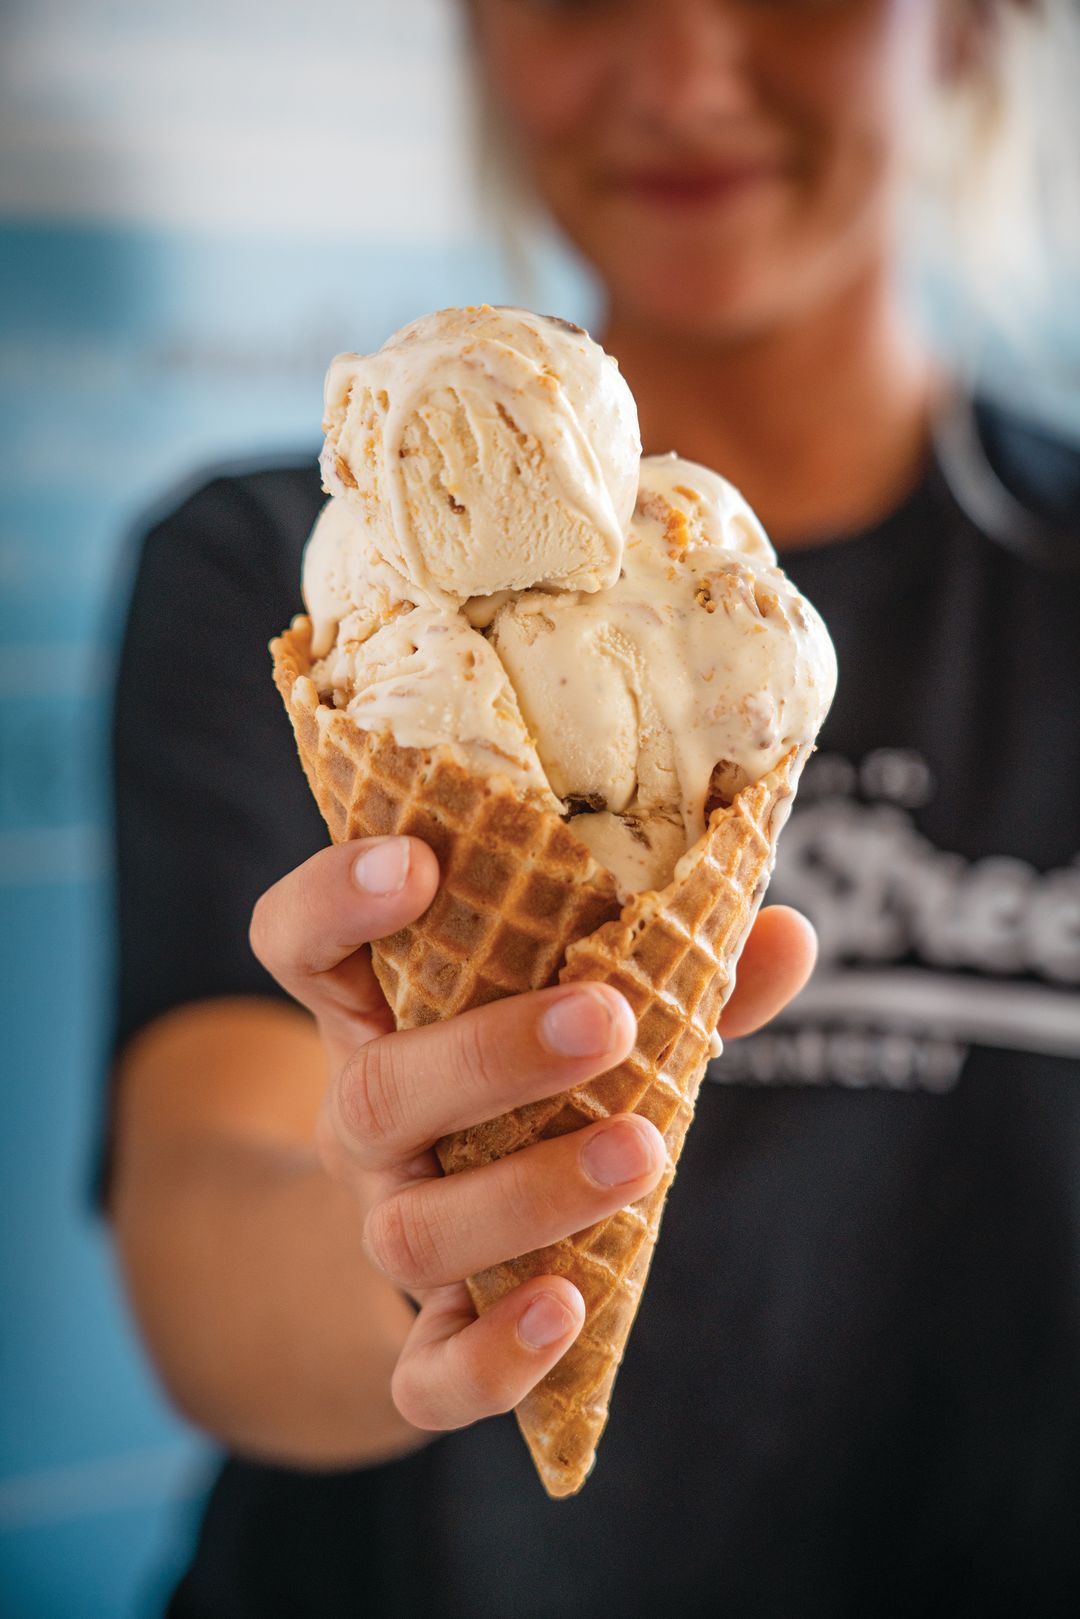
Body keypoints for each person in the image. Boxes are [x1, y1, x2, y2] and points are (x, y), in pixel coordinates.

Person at [106, 1, 1080, 1614]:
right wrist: (397, 1249)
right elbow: (202, 1250)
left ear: (971, 27)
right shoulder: (310, 589)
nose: (688, 80)